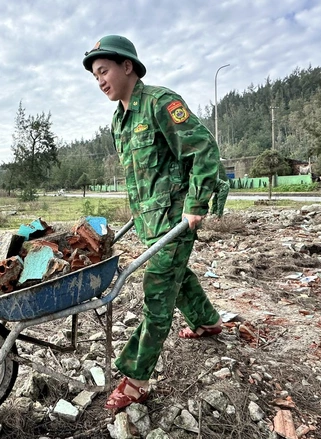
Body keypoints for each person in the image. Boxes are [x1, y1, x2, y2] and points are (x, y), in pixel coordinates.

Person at [83, 35, 224, 411]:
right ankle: (207, 321)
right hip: (151, 222)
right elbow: (144, 176)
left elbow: (204, 152)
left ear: (127, 66)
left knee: (156, 296)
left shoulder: (161, 103)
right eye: (95, 75)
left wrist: (196, 203)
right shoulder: (119, 120)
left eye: (104, 70)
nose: (100, 81)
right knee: (176, 276)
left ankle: (136, 378)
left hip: (179, 219)